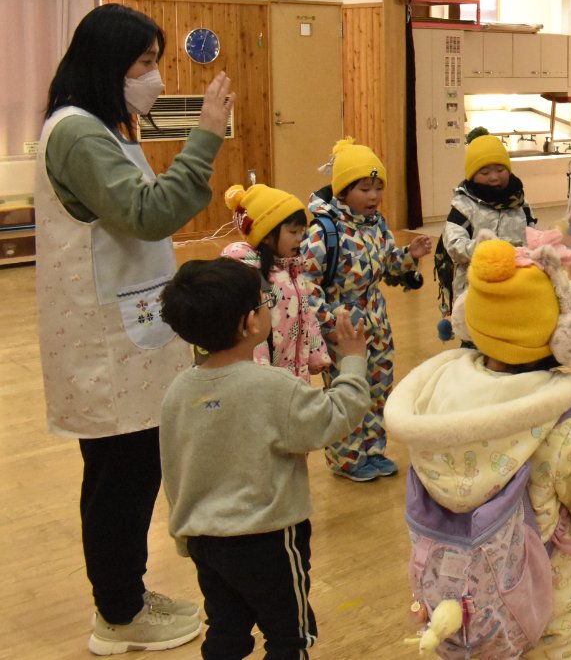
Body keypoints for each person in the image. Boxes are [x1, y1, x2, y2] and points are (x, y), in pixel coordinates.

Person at [35, 3, 233, 654]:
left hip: (128, 333)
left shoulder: (100, 128)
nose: (154, 77)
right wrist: (206, 135)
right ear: (107, 64)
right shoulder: (78, 134)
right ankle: (119, 615)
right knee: (120, 479)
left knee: (126, 474)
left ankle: (125, 598)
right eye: (144, 63)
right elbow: (148, 214)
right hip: (106, 344)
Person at [385, 231, 571, 658]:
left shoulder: (436, 398)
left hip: (466, 600)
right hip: (551, 601)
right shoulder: (568, 425)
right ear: (559, 334)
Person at [158, 259, 371, 660]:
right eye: (263, 302)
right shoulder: (274, 387)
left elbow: (174, 470)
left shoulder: (178, 392)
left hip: (206, 540)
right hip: (269, 540)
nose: (268, 308)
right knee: (290, 637)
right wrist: (354, 359)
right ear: (249, 323)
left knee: (226, 631)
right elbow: (336, 416)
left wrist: (184, 534)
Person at [302, 137, 433, 482]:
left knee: (378, 389)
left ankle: (372, 451)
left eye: (378, 188)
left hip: (377, 323)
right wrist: (330, 322)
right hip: (343, 330)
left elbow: (387, 266)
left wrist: (408, 255)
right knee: (347, 392)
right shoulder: (324, 230)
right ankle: (346, 460)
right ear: (343, 191)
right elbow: (306, 283)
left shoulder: (377, 224)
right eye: (364, 188)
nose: (374, 196)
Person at [221, 183, 331, 383]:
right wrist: (263, 375)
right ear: (267, 236)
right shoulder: (250, 275)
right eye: (293, 232)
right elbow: (251, 333)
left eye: (302, 232)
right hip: (267, 382)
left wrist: (317, 353)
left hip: (296, 378)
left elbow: (306, 316)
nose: (300, 239)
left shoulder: (293, 269)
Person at [438, 126, 536, 315]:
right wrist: (487, 250)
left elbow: (533, 236)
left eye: (500, 169)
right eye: (484, 173)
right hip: (475, 289)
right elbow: (454, 245)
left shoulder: (520, 204)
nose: (494, 177)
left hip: (516, 285)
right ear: (472, 175)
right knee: (477, 331)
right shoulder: (463, 206)